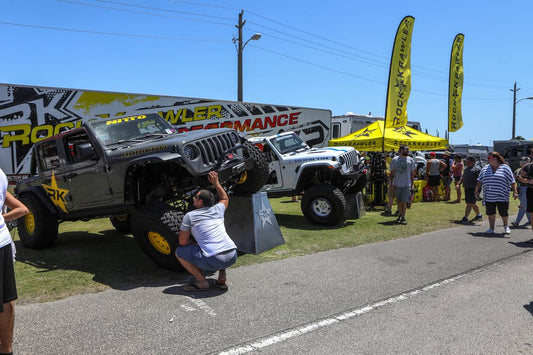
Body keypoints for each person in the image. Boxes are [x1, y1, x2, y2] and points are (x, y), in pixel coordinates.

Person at [175, 171, 237, 291]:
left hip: (215, 259)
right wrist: (216, 183)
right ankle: (222, 275)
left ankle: (202, 282)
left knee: (179, 251)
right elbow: (224, 198)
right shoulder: (218, 209)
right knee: (218, 243)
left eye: (196, 197)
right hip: (232, 255)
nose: (194, 198)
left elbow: (182, 242)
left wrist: (194, 244)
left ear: (200, 202)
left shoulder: (190, 216)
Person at [0, 168, 29, 355]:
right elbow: (23, 208)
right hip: (2, 241)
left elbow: (23, 209)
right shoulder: (1, 174)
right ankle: (7, 350)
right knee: (6, 299)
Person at [475, 152, 518, 235]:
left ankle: (506, 226)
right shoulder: (485, 168)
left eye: (489, 157)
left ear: (495, 158)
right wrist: (476, 190)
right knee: (490, 213)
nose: (488, 159)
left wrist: (515, 191)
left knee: (503, 212)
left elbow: (512, 181)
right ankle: (491, 228)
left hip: (502, 195)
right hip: (489, 195)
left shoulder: (505, 168)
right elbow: (479, 180)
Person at [389, 145, 416, 225]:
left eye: (408, 150)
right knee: (399, 201)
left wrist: (412, 184)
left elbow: (412, 173)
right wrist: (391, 183)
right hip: (397, 184)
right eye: (406, 149)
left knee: (404, 201)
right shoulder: (395, 160)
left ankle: (403, 217)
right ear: (401, 150)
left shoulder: (410, 160)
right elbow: (392, 173)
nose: (408, 151)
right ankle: (400, 215)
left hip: (406, 185)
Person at [457, 156, 483, 223]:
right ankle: (479, 215)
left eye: (468, 161)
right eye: (466, 161)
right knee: (472, 203)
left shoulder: (477, 169)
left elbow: (481, 180)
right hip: (467, 188)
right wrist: (458, 184)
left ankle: (465, 218)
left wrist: (477, 189)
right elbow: (463, 177)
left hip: (474, 189)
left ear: (472, 162)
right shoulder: (467, 169)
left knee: (470, 203)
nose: (466, 162)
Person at [511, 157, 531, 227]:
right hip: (520, 189)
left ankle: (517, 222)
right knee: (525, 206)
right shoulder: (518, 170)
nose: (522, 163)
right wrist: (515, 191)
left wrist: (523, 179)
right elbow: (514, 181)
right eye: (521, 161)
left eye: (524, 161)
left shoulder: (530, 169)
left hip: (527, 188)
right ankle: (531, 221)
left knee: (522, 206)